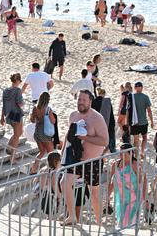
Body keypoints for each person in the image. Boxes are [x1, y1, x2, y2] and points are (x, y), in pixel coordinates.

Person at [62, 90, 108, 225]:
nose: (80, 102)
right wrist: (63, 152)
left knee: (94, 193)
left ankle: (99, 222)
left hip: (92, 161)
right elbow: (67, 135)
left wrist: (84, 137)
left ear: (90, 101)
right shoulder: (73, 116)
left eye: (83, 100)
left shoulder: (97, 118)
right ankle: (72, 216)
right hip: (75, 159)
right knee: (64, 183)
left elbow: (104, 141)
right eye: (79, 100)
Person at [29, 92, 57, 175]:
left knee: (41, 152)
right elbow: (53, 121)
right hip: (45, 133)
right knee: (50, 152)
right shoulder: (48, 109)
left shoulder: (35, 108)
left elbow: (32, 120)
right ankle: (50, 170)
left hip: (37, 132)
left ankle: (33, 169)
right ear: (47, 100)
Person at [1, 73, 24, 159]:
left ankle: (9, 146)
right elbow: (20, 103)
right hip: (16, 114)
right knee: (17, 135)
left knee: (19, 132)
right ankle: (13, 156)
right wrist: (23, 103)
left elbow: (4, 104)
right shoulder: (17, 90)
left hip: (8, 114)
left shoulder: (5, 90)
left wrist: (2, 117)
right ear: (17, 80)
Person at [129, 82, 153, 155]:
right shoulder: (145, 97)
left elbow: (128, 110)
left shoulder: (131, 97)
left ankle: (136, 155)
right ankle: (142, 152)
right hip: (143, 121)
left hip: (134, 122)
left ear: (135, 88)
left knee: (136, 140)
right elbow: (149, 110)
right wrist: (152, 121)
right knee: (144, 137)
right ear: (142, 87)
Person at [91, 87, 116, 153]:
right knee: (111, 134)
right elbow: (111, 113)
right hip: (108, 121)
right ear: (104, 94)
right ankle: (112, 149)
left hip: (97, 122)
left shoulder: (93, 101)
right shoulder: (107, 101)